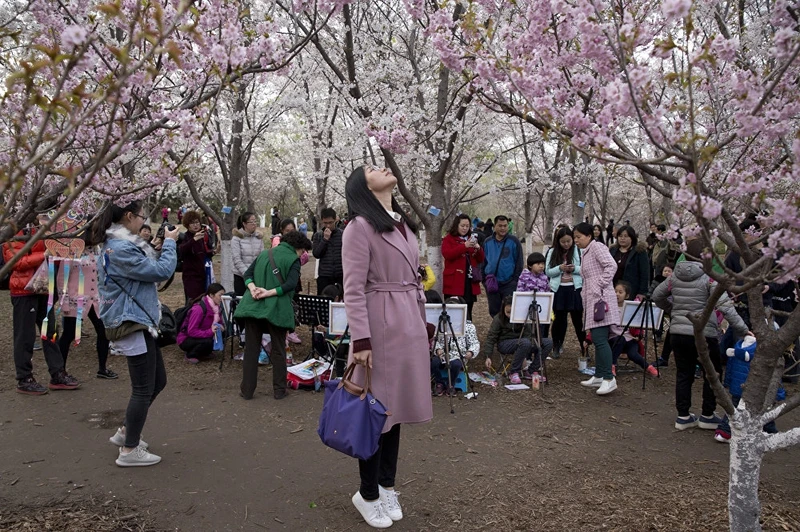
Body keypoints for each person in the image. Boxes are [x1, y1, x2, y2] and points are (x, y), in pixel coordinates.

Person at [342, 164, 433, 529]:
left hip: (407, 323)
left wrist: (422, 320)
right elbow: (352, 288)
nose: (382, 166)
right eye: (372, 168)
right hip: (378, 328)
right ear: (363, 186)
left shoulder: (401, 223)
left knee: (395, 413)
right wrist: (361, 338)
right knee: (374, 414)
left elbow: (413, 277)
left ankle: (387, 485)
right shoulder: (358, 228)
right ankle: (366, 493)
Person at [95, 200, 179, 467]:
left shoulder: (119, 245)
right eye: (142, 216)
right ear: (129, 216)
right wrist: (171, 243)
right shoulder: (120, 248)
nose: (144, 221)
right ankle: (130, 450)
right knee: (143, 389)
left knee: (158, 381)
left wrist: (157, 246)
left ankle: (125, 433)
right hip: (132, 321)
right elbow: (162, 271)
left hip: (140, 319)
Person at [651, 238, 752, 430]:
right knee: (712, 373)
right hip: (704, 333)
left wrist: (674, 311)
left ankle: (683, 416)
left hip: (678, 333)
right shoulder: (709, 278)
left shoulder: (674, 276)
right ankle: (707, 414)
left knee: (683, 373)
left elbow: (657, 295)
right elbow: (726, 307)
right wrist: (744, 330)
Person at [4, 215, 80, 395]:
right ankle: (24, 378)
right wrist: (44, 255)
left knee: (51, 332)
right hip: (24, 290)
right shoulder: (14, 230)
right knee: (25, 336)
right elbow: (16, 261)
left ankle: (57, 373)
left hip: (44, 288)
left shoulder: (47, 231)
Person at [235, 230, 312, 400]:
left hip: (252, 306)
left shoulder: (265, 253)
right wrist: (268, 292)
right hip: (276, 308)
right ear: (297, 247)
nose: (302, 254)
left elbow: (247, 275)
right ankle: (279, 390)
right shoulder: (293, 259)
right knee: (278, 350)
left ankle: (247, 390)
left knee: (251, 349)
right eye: (303, 251)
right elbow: (291, 284)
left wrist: (253, 288)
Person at [57, 237, 117, 380]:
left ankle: (102, 368)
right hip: (75, 299)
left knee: (103, 331)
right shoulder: (71, 250)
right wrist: (64, 302)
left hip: (95, 300)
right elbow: (61, 277)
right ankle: (59, 371)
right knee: (69, 334)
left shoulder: (97, 250)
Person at [573, 222, 620, 396]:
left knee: (600, 339)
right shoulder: (587, 251)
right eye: (575, 237)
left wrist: (599, 285)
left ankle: (609, 378)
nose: (576, 241)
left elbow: (611, 265)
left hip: (601, 300)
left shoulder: (597, 247)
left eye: (579, 237)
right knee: (599, 338)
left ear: (588, 236)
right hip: (593, 300)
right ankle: (600, 375)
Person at [482, 295, 553, 384]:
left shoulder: (523, 317)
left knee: (548, 342)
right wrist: (488, 356)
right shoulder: (498, 319)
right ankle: (514, 371)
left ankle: (532, 370)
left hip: (524, 342)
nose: (510, 315)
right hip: (505, 343)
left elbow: (528, 334)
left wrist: (527, 349)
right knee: (525, 342)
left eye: (513, 312)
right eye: (508, 312)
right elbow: (491, 337)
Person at [545, 227, 585, 358]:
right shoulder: (552, 252)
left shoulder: (579, 251)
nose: (566, 244)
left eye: (569, 241)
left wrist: (575, 268)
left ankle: (584, 346)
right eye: (563, 242)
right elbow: (548, 271)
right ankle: (557, 345)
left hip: (575, 289)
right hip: (558, 289)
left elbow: (585, 269)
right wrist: (559, 268)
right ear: (558, 241)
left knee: (578, 320)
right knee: (559, 320)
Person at [432, 296, 480, 396]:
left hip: (459, 355)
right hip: (443, 355)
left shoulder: (468, 326)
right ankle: (439, 382)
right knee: (434, 362)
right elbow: (436, 340)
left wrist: (471, 352)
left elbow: (474, 342)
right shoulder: (441, 325)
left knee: (456, 365)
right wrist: (438, 349)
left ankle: (451, 384)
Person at [609, 281, 658, 377]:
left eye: (620, 292)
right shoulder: (609, 308)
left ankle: (647, 367)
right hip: (614, 338)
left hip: (629, 338)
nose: (617, 294)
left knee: (633, 353)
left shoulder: (630, 308)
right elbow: (600, 324)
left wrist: (638, 335)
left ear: (626, 296)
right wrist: (589, 339)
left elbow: (637, 324)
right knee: (620, 339)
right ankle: (612, 365)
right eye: (615, 291)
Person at [441, 213, 485, 321]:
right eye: (462, 226)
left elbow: (481, 259)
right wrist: (464, 246)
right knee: (453, 310)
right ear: (457, 225)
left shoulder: (472, 239)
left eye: (467, 226)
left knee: (468, 310)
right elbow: (447, 254)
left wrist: (478, 248)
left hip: (469, 281)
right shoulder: (449, 239)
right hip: (454, 281)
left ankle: (467, 333)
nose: (465, 228)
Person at [481, 215, 523, 317]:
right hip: (492, 282)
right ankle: (497, 331)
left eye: (505, 226)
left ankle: (508, 332)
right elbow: (483, 262)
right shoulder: (487, 242)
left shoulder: (514, 241)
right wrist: (484, 280)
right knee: (494, 311)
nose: (503, 228)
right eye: (500, 226)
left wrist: (514, 280)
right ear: (494, 226)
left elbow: (519, 262)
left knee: (509, 310)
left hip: (509, 283)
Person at [177, 283, 225, 364]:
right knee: (208, 342)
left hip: (202, 335)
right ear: (211, 295)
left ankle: (204, 352)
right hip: (186, 339)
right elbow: (191, 331)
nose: (222, 298)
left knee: (221, 336)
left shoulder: (217, 308)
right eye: (220, 295)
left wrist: (221, 327)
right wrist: (210, 331)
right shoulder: (198, 309)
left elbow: (219, 322)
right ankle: (190, 355)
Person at [179, 211, 215, 303]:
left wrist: (214, 251)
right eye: (192, 223)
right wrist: (194, 240)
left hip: (204, 275)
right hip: (191, 277)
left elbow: (205, 253)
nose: (195, 225)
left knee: (205, 302)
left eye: (197, 222)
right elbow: (182, 251)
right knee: (193, 303)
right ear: (187, 225)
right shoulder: (185, 237)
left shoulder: (203, 235)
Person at [609, 225, 650, 300]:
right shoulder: (613, 250)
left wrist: (642, 292)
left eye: (626, 236)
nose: (622, 238)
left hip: (631, 290)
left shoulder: (639, 251)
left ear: (632, 238)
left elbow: (644, 273)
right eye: (620, 236)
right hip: (612, 289)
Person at [231, 211, 264, 297]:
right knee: (242, 301)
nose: (254, 224)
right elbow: (237, 259)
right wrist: (247, 274)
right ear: (244, 224)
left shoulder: (258, 238)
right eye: (251, 222)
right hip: (241, 277)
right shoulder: (236, 239)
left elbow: (261, 257)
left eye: (255, 221)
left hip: (256, 276)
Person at [312, 207, 344, 295]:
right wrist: (325, 240)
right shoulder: (318, 235)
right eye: (325, 223)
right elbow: (316, 254)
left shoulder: (343, 234)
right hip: (325, 275)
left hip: (340, 275)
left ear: (335, 220)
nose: (328, 226)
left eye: (330, 222)